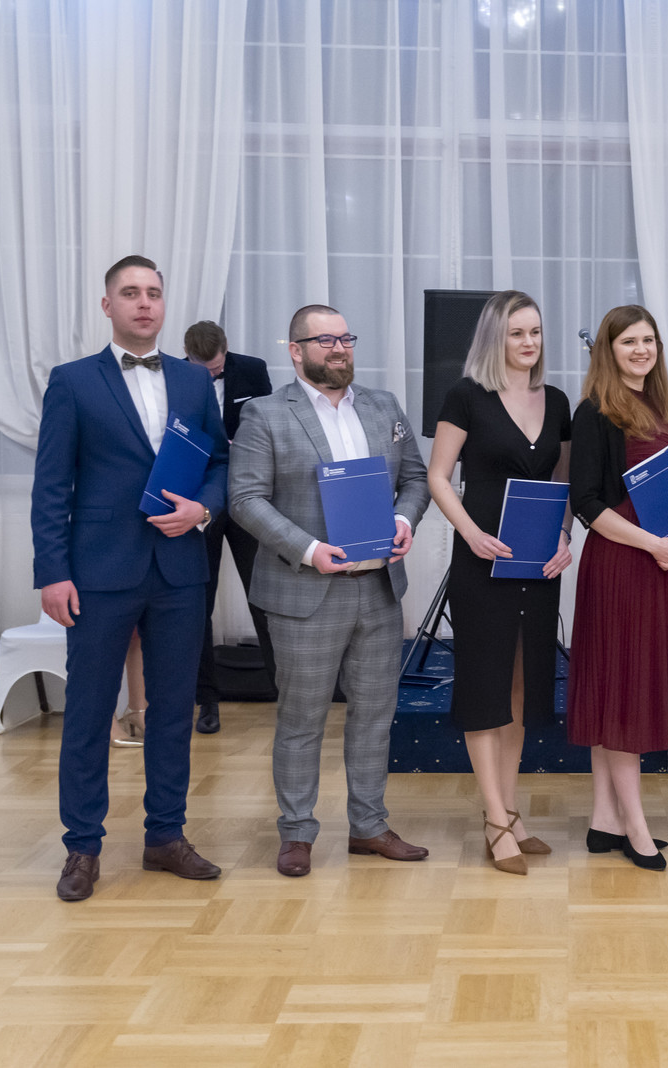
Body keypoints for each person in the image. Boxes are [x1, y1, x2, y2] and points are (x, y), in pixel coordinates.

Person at [31, 254, 227, 901]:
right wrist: (52, 572)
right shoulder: (72, 382)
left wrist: (203, 509)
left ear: (164, 304)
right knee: (89, 713)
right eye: (131, 293)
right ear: (108, 305)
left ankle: (165, 835)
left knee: (172, 711)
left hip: (178, 571)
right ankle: (82, 847)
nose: (144, 303)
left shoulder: (194, 381)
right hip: (98, 572)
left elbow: (220, 463)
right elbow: (50, 486)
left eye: (154, 293)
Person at [229, 304, 431, 878]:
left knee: (375, 716)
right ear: (296, 351)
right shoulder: (266, 413)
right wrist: (308, 549)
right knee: (302, 720)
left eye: (346, 338)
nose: (340, 348)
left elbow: (415, 479)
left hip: (379, 589)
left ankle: (368, 826)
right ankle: (297, 832)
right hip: (305, 591)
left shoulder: (383, 406)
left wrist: (405, 520)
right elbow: (244, 499)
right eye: (326, 340)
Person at [426, 290, 572, 876]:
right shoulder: (465, 396)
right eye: (516, 332)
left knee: (519, 691)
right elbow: (439, 476)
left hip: (538, 569)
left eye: (535, 331)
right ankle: (493, 819)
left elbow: (562, 484)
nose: (528, 342)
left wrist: (565, 536)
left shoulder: (557, 401)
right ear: (495, 337)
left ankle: (511, 812)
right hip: (482, 564)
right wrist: (470, 534)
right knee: (485, 691)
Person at [567, 306, 668, 872]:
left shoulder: (659, 408)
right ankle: (637, 828)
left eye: (649, 340)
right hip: (622, 567)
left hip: (661, 569)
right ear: (608, 349)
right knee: (623, 693)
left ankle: (605, 820)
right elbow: (586, 503)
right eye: (628, 341)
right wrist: (653, 545)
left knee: (622, 689)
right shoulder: (595, 411)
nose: (641, 349)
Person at [182, 320, 275, 734]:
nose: (211, 376)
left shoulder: (253, 370)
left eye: (217, 368)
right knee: (198, 604)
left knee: (266, 596)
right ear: (187, 358)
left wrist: (243, 447)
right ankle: (207, 698)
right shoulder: (172, 376)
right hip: (198, 501)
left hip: (247, 496)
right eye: (203, 370)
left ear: (226, 350)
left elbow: (270, 424)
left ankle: (286, 690)